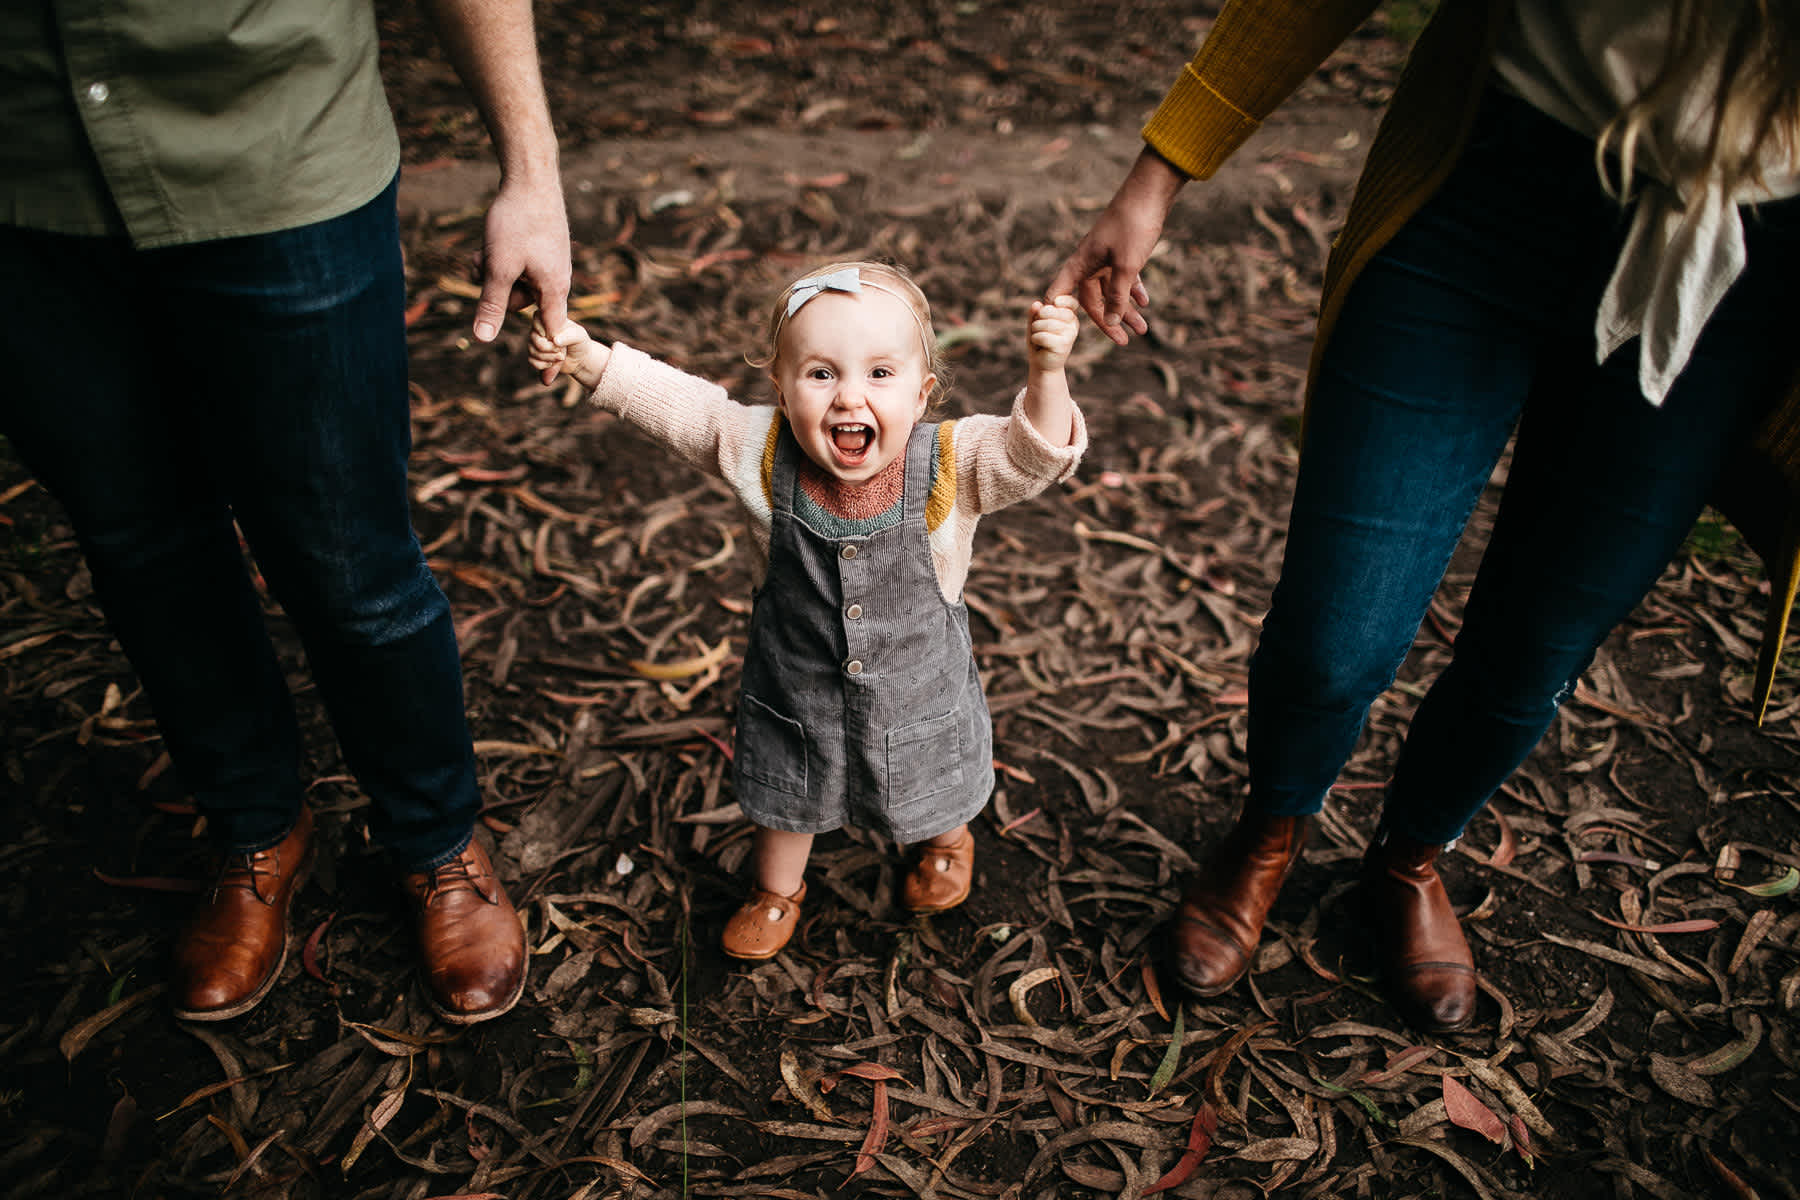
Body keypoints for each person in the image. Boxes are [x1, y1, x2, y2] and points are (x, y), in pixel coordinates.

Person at [1050, 0, 1800, 1032]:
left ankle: (1410, 858)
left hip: (1737, 263)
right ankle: (1271, 829)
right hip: (1495, 182)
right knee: (1334, 633)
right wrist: (1160, 172)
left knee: (1538, 645)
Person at [0, 0, 572, 1024]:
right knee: (139, 543)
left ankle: (438, 839)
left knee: (352, 563)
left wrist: (529, 169)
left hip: (274, 157)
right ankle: (256, 823)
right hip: (24, 188)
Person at [529, 262, 1088, 958]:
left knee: (931, 781)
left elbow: (1032, 453)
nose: (849, 397)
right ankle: (777, 892)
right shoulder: (761, 451)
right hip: (797, 691)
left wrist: (1046, 371)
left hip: (918, 694)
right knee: (787, 790)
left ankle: (947, 841)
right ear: (782, 390)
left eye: (880, 374)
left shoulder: (951, 463)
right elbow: (682, 409)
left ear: (923, 394)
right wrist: (591, 362)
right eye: (821, 374)